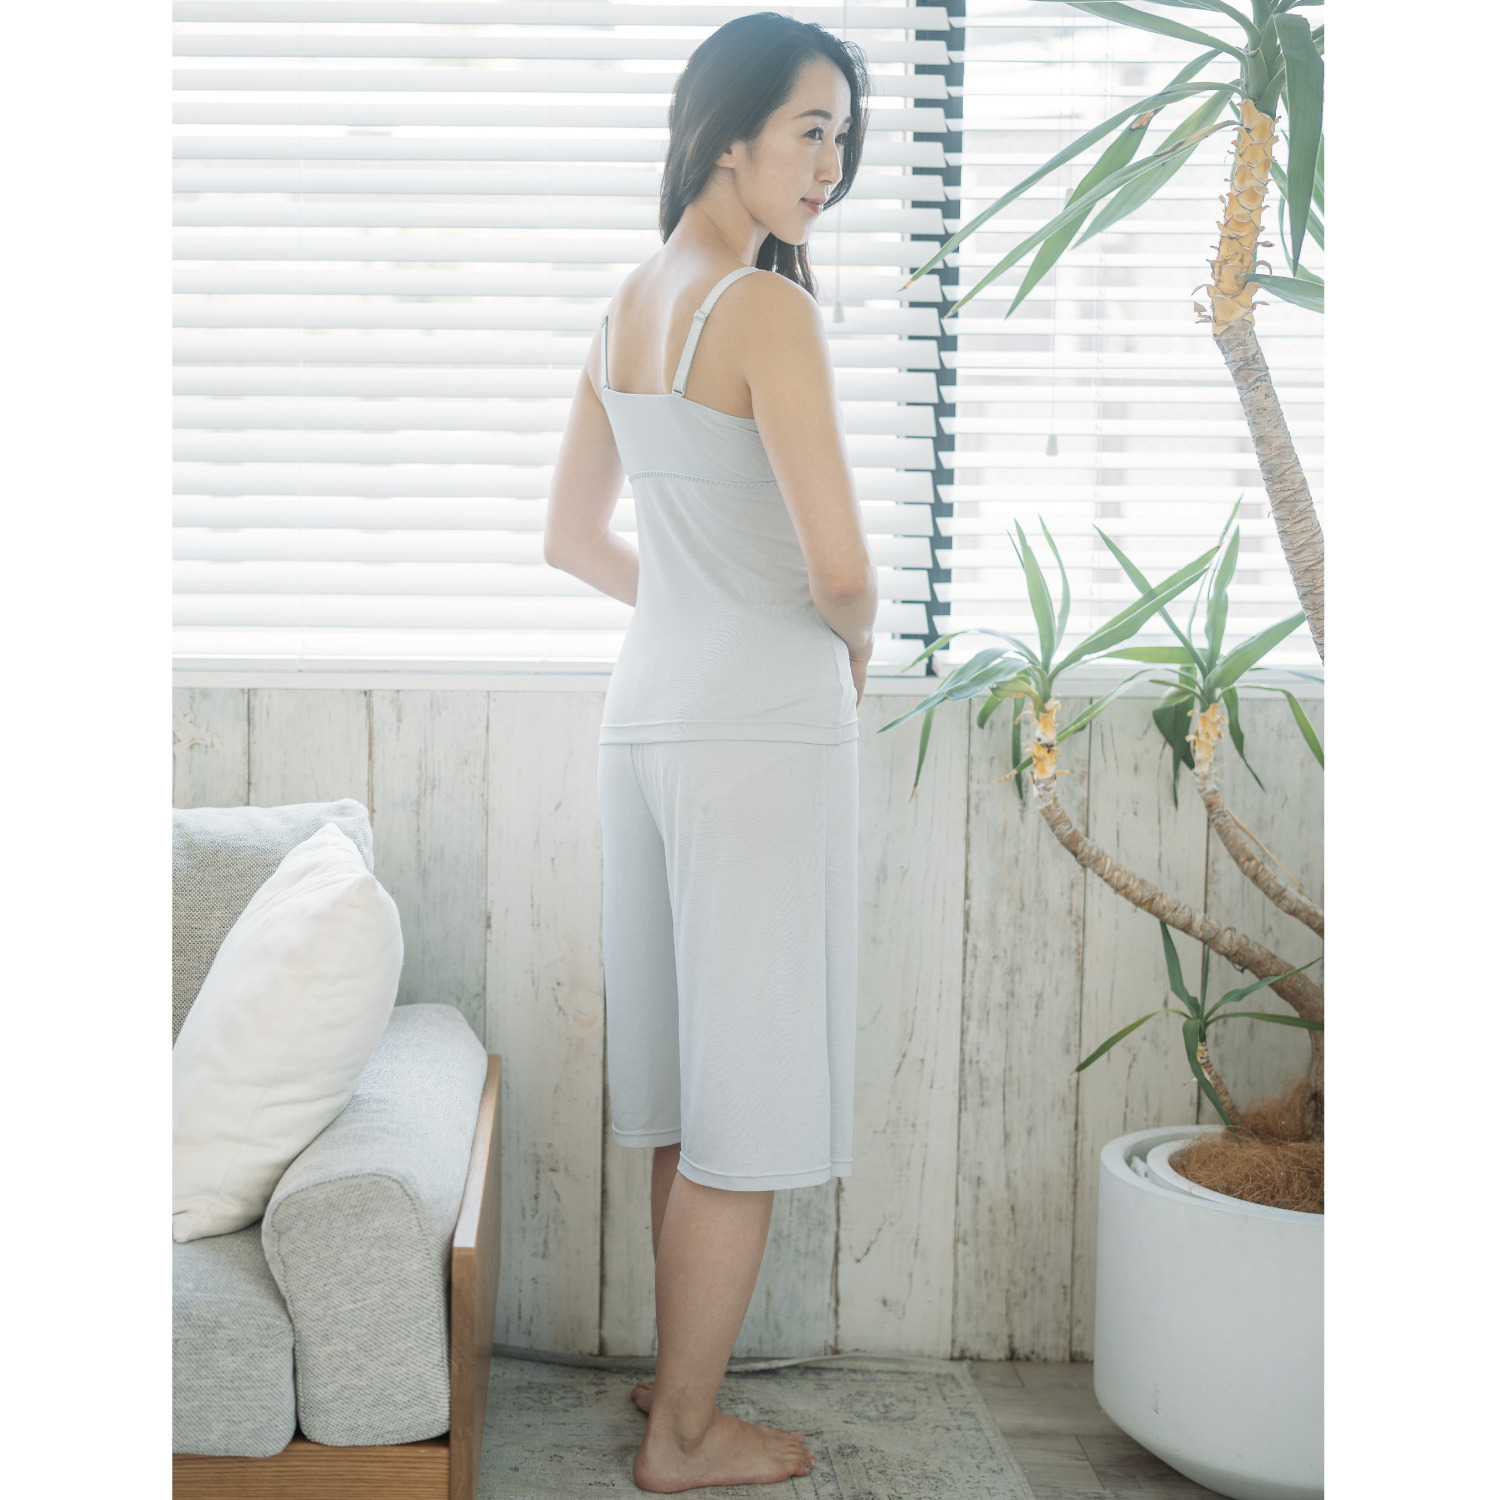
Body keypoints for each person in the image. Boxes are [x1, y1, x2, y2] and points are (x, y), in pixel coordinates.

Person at [544, 12, 878, 1492]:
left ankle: (676, 1390)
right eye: (811, 128)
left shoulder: (627, 304)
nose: (832, 162)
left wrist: (696, 604)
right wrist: (848, 642)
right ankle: (685, 1436)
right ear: (725, 133)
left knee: (691, 1091)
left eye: (845, 136)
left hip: (646, 728)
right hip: (757, 737)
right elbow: (842, 571)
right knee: (749, 1094)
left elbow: (572, 540)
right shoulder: (764, 312)